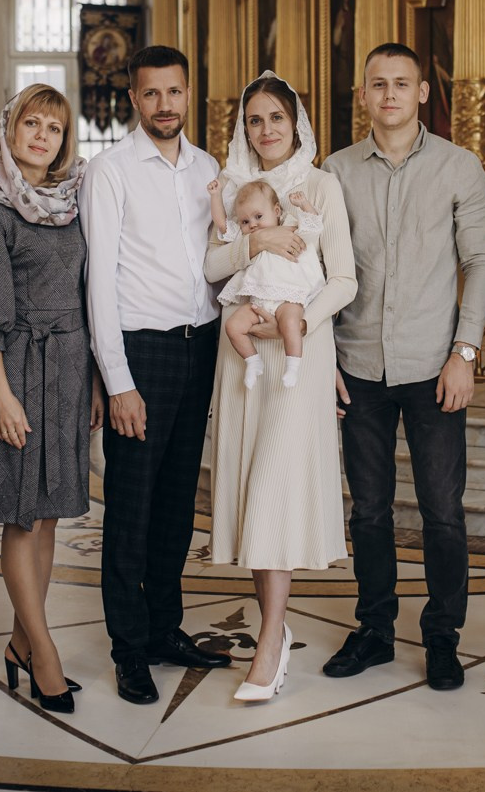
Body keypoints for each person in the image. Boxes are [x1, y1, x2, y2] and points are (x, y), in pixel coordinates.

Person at [322, 43, 485, 691]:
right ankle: (374, 630)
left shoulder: (459, 166)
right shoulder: (335, 172)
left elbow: (480, 262)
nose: (389, 94)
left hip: (433, 367)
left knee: (442, 511)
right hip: (357, 364)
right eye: (378, 84)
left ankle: (442, 636)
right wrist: (323, 359)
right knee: (368, 511)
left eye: (402, 82)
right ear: (363, 94)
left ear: (423, 91)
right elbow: (317, 270)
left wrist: (465, 353)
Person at [80, 45, 233, 705]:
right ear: (133, 99)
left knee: (176, 504)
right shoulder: (109, 171)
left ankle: (165, 628)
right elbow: (99, 282)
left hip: (202, 348)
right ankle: (128, 647)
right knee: (132, 508)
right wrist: (117, 381)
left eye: (174, 91)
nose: (164, 104)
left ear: (188, 92)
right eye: (151, 93)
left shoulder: (210, 169)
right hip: (142, 351)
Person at [204, 74, 358, 701]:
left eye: (277, 117)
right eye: (254, 119)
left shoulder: (321, 186)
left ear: (296, 123)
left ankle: (271, 637)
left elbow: (343, 279)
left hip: (297, 350)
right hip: (243, 357)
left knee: (275, 484)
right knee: (252, 488)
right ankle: (274, 624)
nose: (266, 130)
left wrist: (296, 326)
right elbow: (211, 267)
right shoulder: (231, 186)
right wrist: (255, 240)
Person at [0, 84, 102, 715]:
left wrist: (93, 379)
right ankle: (43, 653)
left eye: (54, 127)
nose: (42, 136)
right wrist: (0, 393)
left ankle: (22, 642)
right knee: (22, 514)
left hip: (69, 364)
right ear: (9, 129)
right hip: (17, 365)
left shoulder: (72, 200)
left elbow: (86, 293)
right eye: (31, 123)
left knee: (48, 513)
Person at [208, 175, 324, 389]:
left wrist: (304, 205)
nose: (252, 225)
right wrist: (215, 196)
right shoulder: (247, 240)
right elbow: (222, 224)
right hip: (259, 301)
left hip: (288, 298)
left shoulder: (291, 228)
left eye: (258, 216)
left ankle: (293, 366)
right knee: (233, 326)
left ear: (277, 211)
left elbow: (314, 225)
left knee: (290, 323)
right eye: (245, 221)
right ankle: (253, 361)